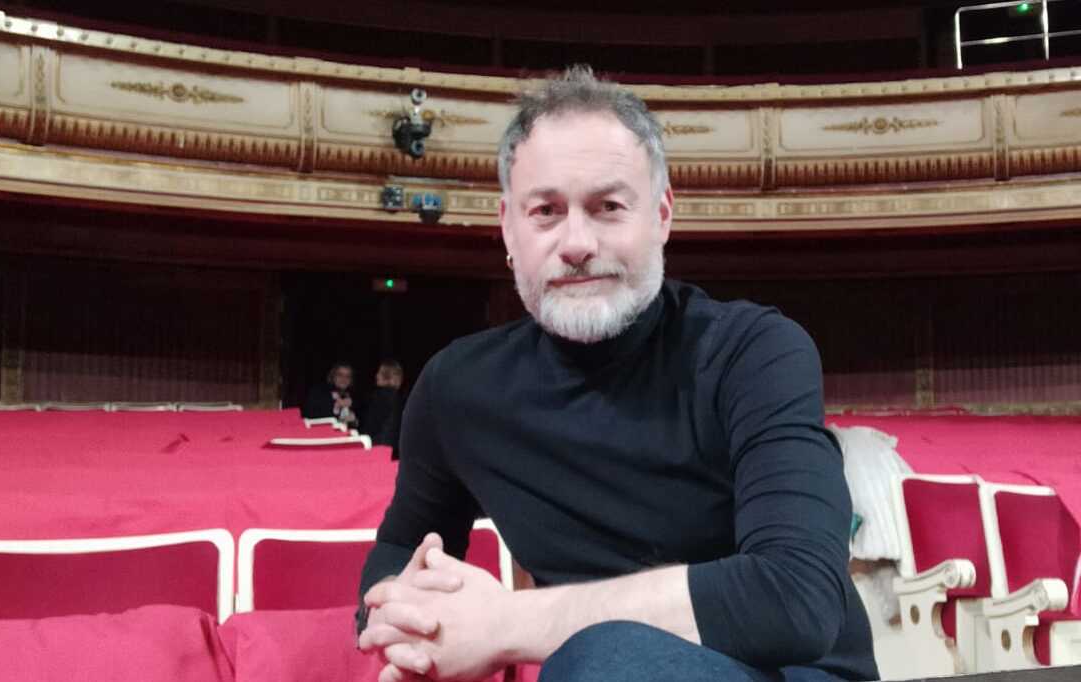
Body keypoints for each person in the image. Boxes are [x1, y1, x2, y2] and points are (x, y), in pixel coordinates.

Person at [356, 66, 877, 682]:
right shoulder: (456, 389)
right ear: (508, 229)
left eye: (607, 207)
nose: (576, 242)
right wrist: (405, 619)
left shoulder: (755, 352)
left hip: (792, 673)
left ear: (661, 216)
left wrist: (503, 626)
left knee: (604, 661)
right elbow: (401, 548)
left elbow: (795, 599)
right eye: (546, 210)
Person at [361, 359, 404, 451]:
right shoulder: (398, 397)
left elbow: (372, 426)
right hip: (392, 447)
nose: (376, 376)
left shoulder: (380, 396)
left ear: (387, 375)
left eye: (380, 373)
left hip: (377, 446)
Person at [302, 362, 358, 427]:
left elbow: (359, 424)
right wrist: (336, 407)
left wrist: (354, 421)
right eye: (340, 375)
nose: (344, 379)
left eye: (348, 376)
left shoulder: (353, 397)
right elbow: (309, 416)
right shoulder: (319, 391)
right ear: (333, 376)